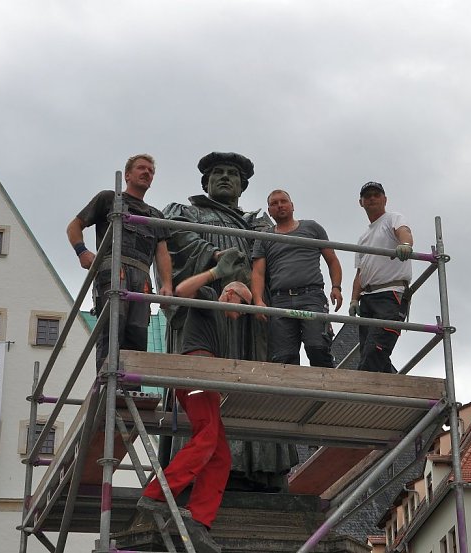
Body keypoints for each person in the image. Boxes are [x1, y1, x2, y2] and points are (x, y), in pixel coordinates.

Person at [160, 152, 298, 497]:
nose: (224, 178)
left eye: (232, 175)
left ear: (242, 185)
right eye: (216, 173)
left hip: (250, 321)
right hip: (207, 310)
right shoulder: (187, 213)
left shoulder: (256, 222)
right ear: (205, 182)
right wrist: (213, 255)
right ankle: (196, 469)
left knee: (252, 384)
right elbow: (175, 240)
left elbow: (273, 253)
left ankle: (258, 469)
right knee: (205, 391)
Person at [137, 276, 252, 553]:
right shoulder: (209, 298)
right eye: (243, 306)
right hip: (196, 373)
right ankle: (158, 494)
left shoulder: (219, 322)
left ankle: (199, 519)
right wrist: (214, 271)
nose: (240, 316)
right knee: (208, 437)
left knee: (221, 455)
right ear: (231, 294)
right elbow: (181, 291)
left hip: (205, 378)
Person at [66, 154, 173, 370]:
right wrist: (82, 252)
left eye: (151, 171)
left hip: (142, 277)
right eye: (141, 168)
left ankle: (131, 392)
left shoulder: (155, 215)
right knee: (112, 328)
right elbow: (74, 226)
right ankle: (108, 386)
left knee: (137, 334)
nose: (147, 173)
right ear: (127, 175)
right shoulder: (109, 199)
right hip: (114, 270)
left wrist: (167, 285)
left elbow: (162, 253)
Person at [251, 189, 343, 367]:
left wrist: (336, 287)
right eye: (274, 203)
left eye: (283, 201)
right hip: (281, 299)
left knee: (317, 347)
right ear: (269, 210)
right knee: (284, 357)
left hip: (311, 296)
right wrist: (258, 300)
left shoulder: (312, 228)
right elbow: (258, 272)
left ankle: (325, 393)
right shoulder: (264, 238)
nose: (279, 205)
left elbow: (332, 260)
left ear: (292, 206)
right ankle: (292, 395)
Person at [349, 181, 414, 373]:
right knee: (372, 351)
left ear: (385, 199)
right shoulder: (363, 238)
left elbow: (404, 232)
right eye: (367, 196)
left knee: (375, 349)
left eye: (376, 195)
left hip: (390, 294)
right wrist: (354, 299)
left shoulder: (392, 218)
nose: (371, 198)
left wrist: (406, 245)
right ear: (361, 202)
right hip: (368, 298)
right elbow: (360, 273)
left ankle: (361, 391)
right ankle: (394, 393)